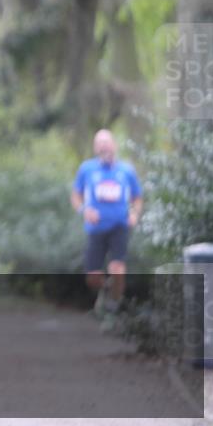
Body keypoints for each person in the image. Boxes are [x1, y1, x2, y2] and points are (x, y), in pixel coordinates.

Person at [71, 129, 143, 329]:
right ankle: (105, 292)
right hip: (96, 228)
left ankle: (114, 307)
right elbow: (76, 197)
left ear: (114, 145)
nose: (104, 147)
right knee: (93, 277)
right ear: (95, 148)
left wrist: (134, 213)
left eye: (106, 142)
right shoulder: (87, 169)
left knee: (117, 268)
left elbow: (137, 197)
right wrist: (84, 210)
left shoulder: (126, 170)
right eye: (99, 143)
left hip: (119, 226)